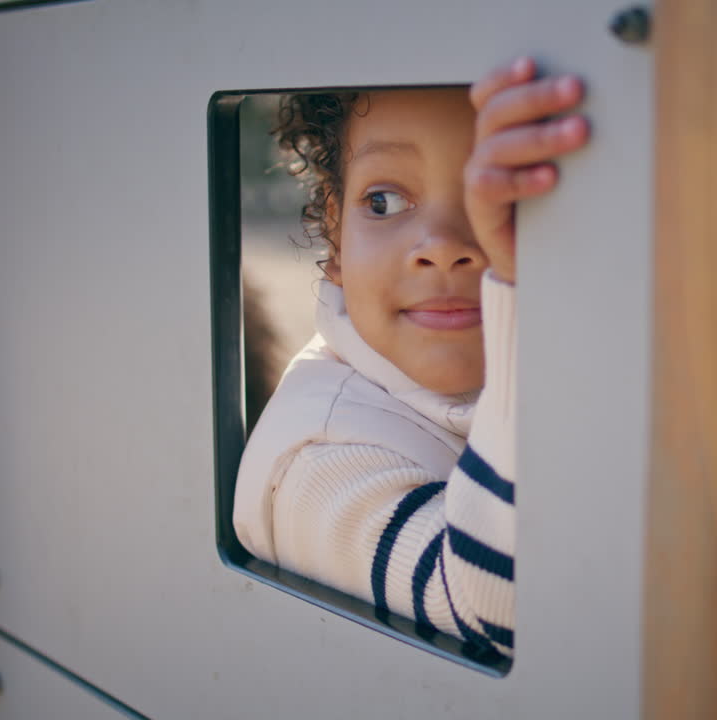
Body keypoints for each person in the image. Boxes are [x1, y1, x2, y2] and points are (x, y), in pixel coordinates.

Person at [233, 58, 589, 659]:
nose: (445, 247)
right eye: (385, 200)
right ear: (336, 233)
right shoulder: (318, 458)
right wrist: (523, 290)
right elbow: (498, 605)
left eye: (508, 204)